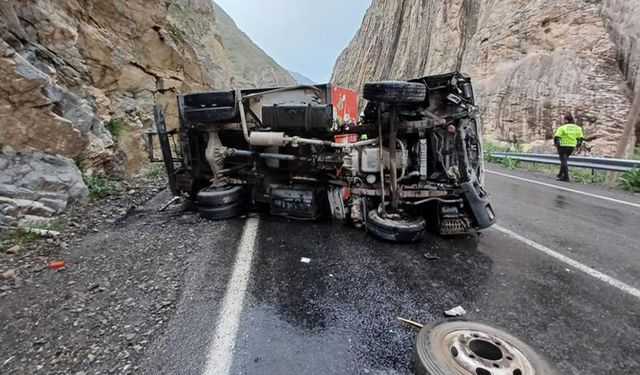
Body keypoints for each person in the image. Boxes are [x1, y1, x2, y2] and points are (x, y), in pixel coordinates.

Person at [554, 113, 584, 182]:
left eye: (564, 119)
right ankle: (560, 174)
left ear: (566, 120)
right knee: (565, 160)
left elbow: (556, 137)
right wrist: (578, 145)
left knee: (563, 161)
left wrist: (556, 144)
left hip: (562, 145)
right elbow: (581, 138)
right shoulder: (578, 128)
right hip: (571, 146)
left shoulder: (562, 128)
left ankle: (566, 177)